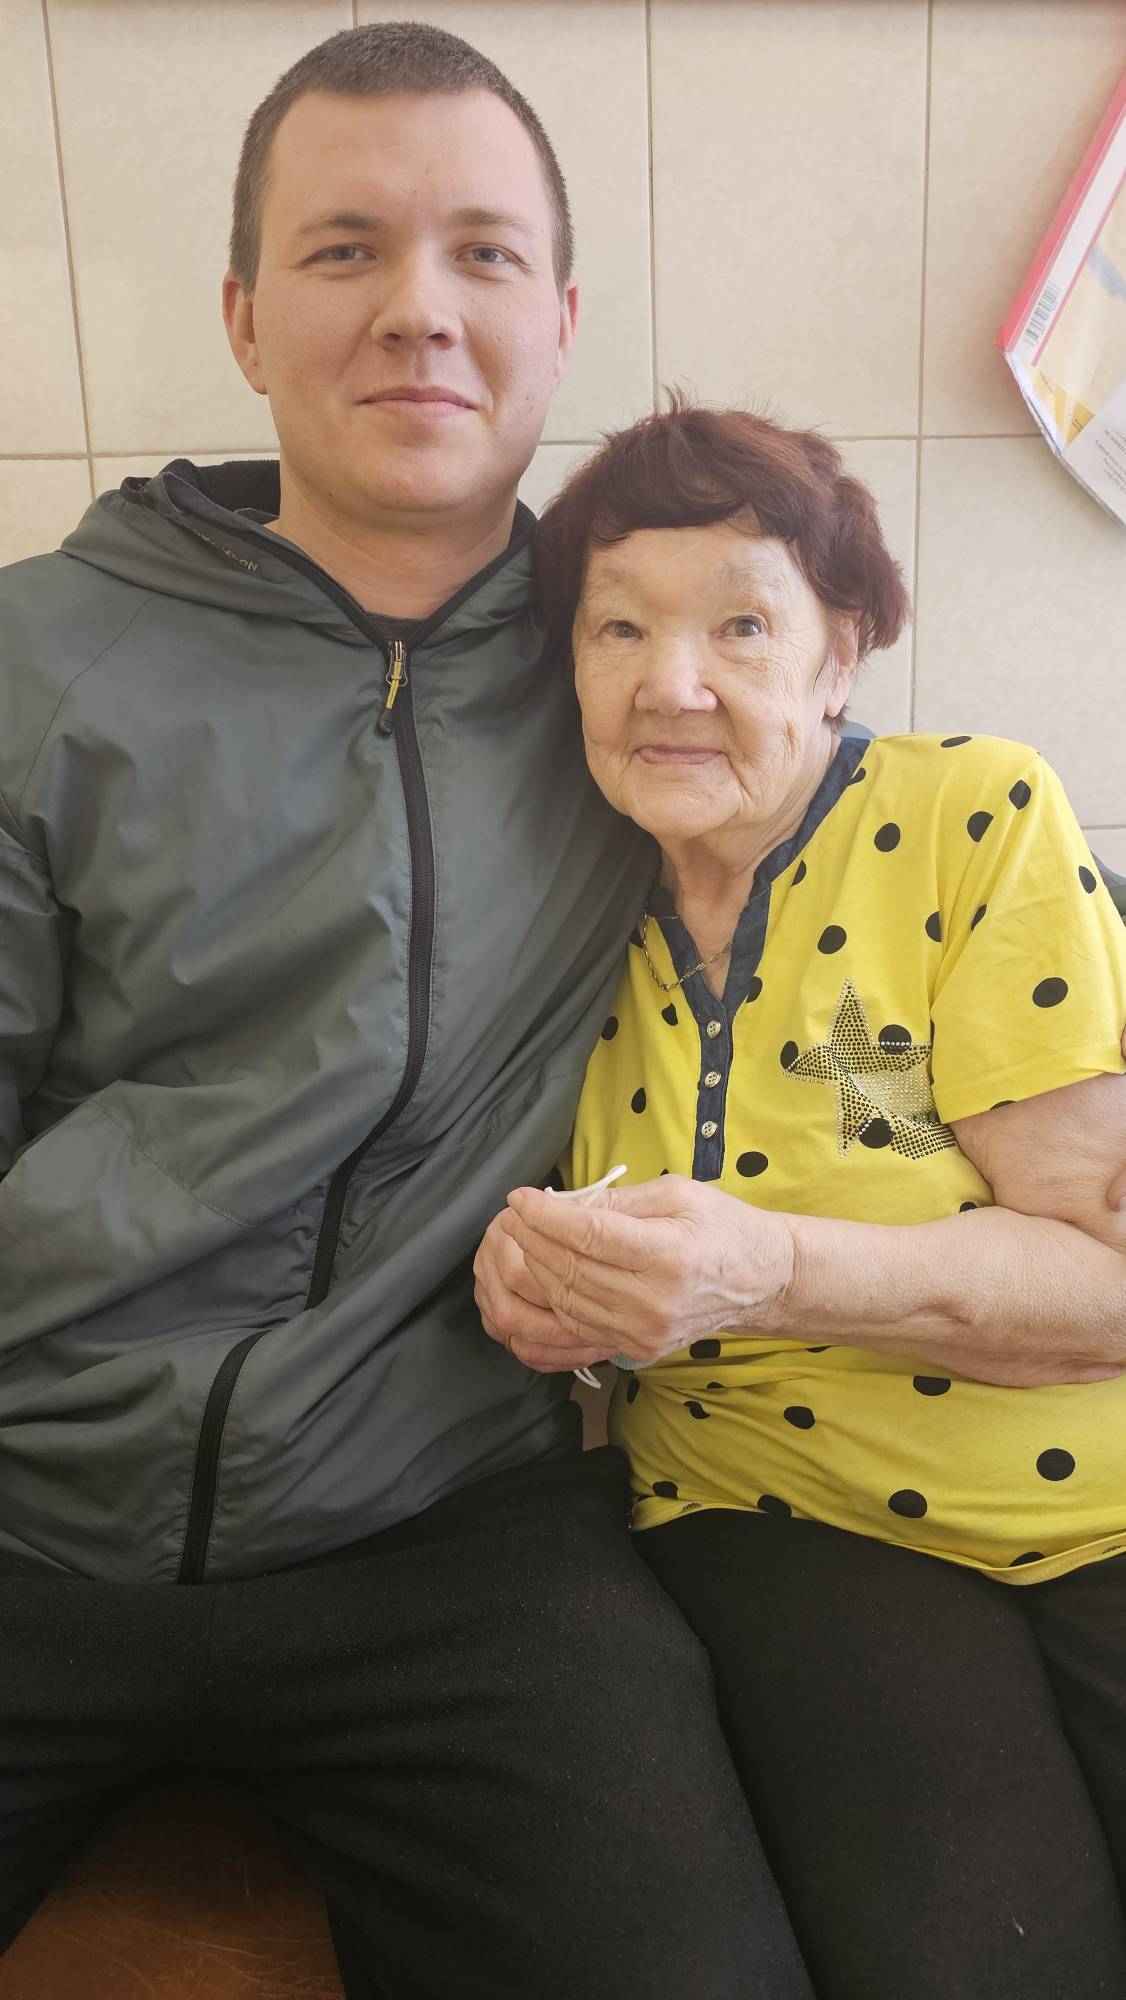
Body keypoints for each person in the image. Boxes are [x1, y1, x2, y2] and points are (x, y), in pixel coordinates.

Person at [0, 29, 817, 1999]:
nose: (418, 311)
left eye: (480, 253)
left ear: (559, 320)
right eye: (345, 249)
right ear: (243, 316)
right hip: (30, 1501)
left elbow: (910, 904)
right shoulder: (40, 660)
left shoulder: (650, 677)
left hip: (452, 1526)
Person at [475, 402, 1126, 2000]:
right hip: (775, 1506)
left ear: (839, 653)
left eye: (740, 627)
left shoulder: (972, 816)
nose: (670, 683)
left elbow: (1103, 1277)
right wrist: (529, 1282)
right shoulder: (544, 896)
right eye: (617, 628)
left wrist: (766, 1267)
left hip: (1097, 1484)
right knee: (983, 1959)